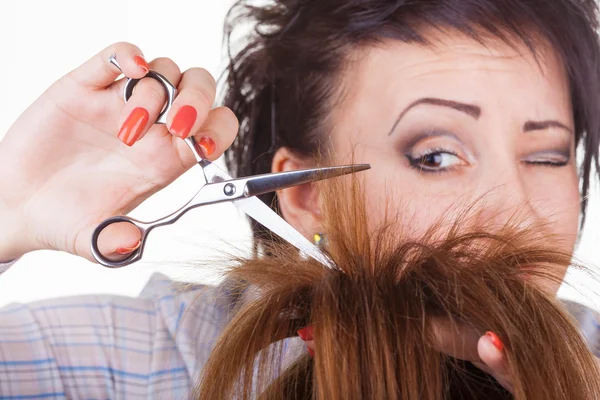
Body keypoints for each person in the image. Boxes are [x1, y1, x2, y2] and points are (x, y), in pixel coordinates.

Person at [0, 0, 599, 397]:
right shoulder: (120, 364)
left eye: (547, 156)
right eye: (436, 156)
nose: (517, 209)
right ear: (308, 196)